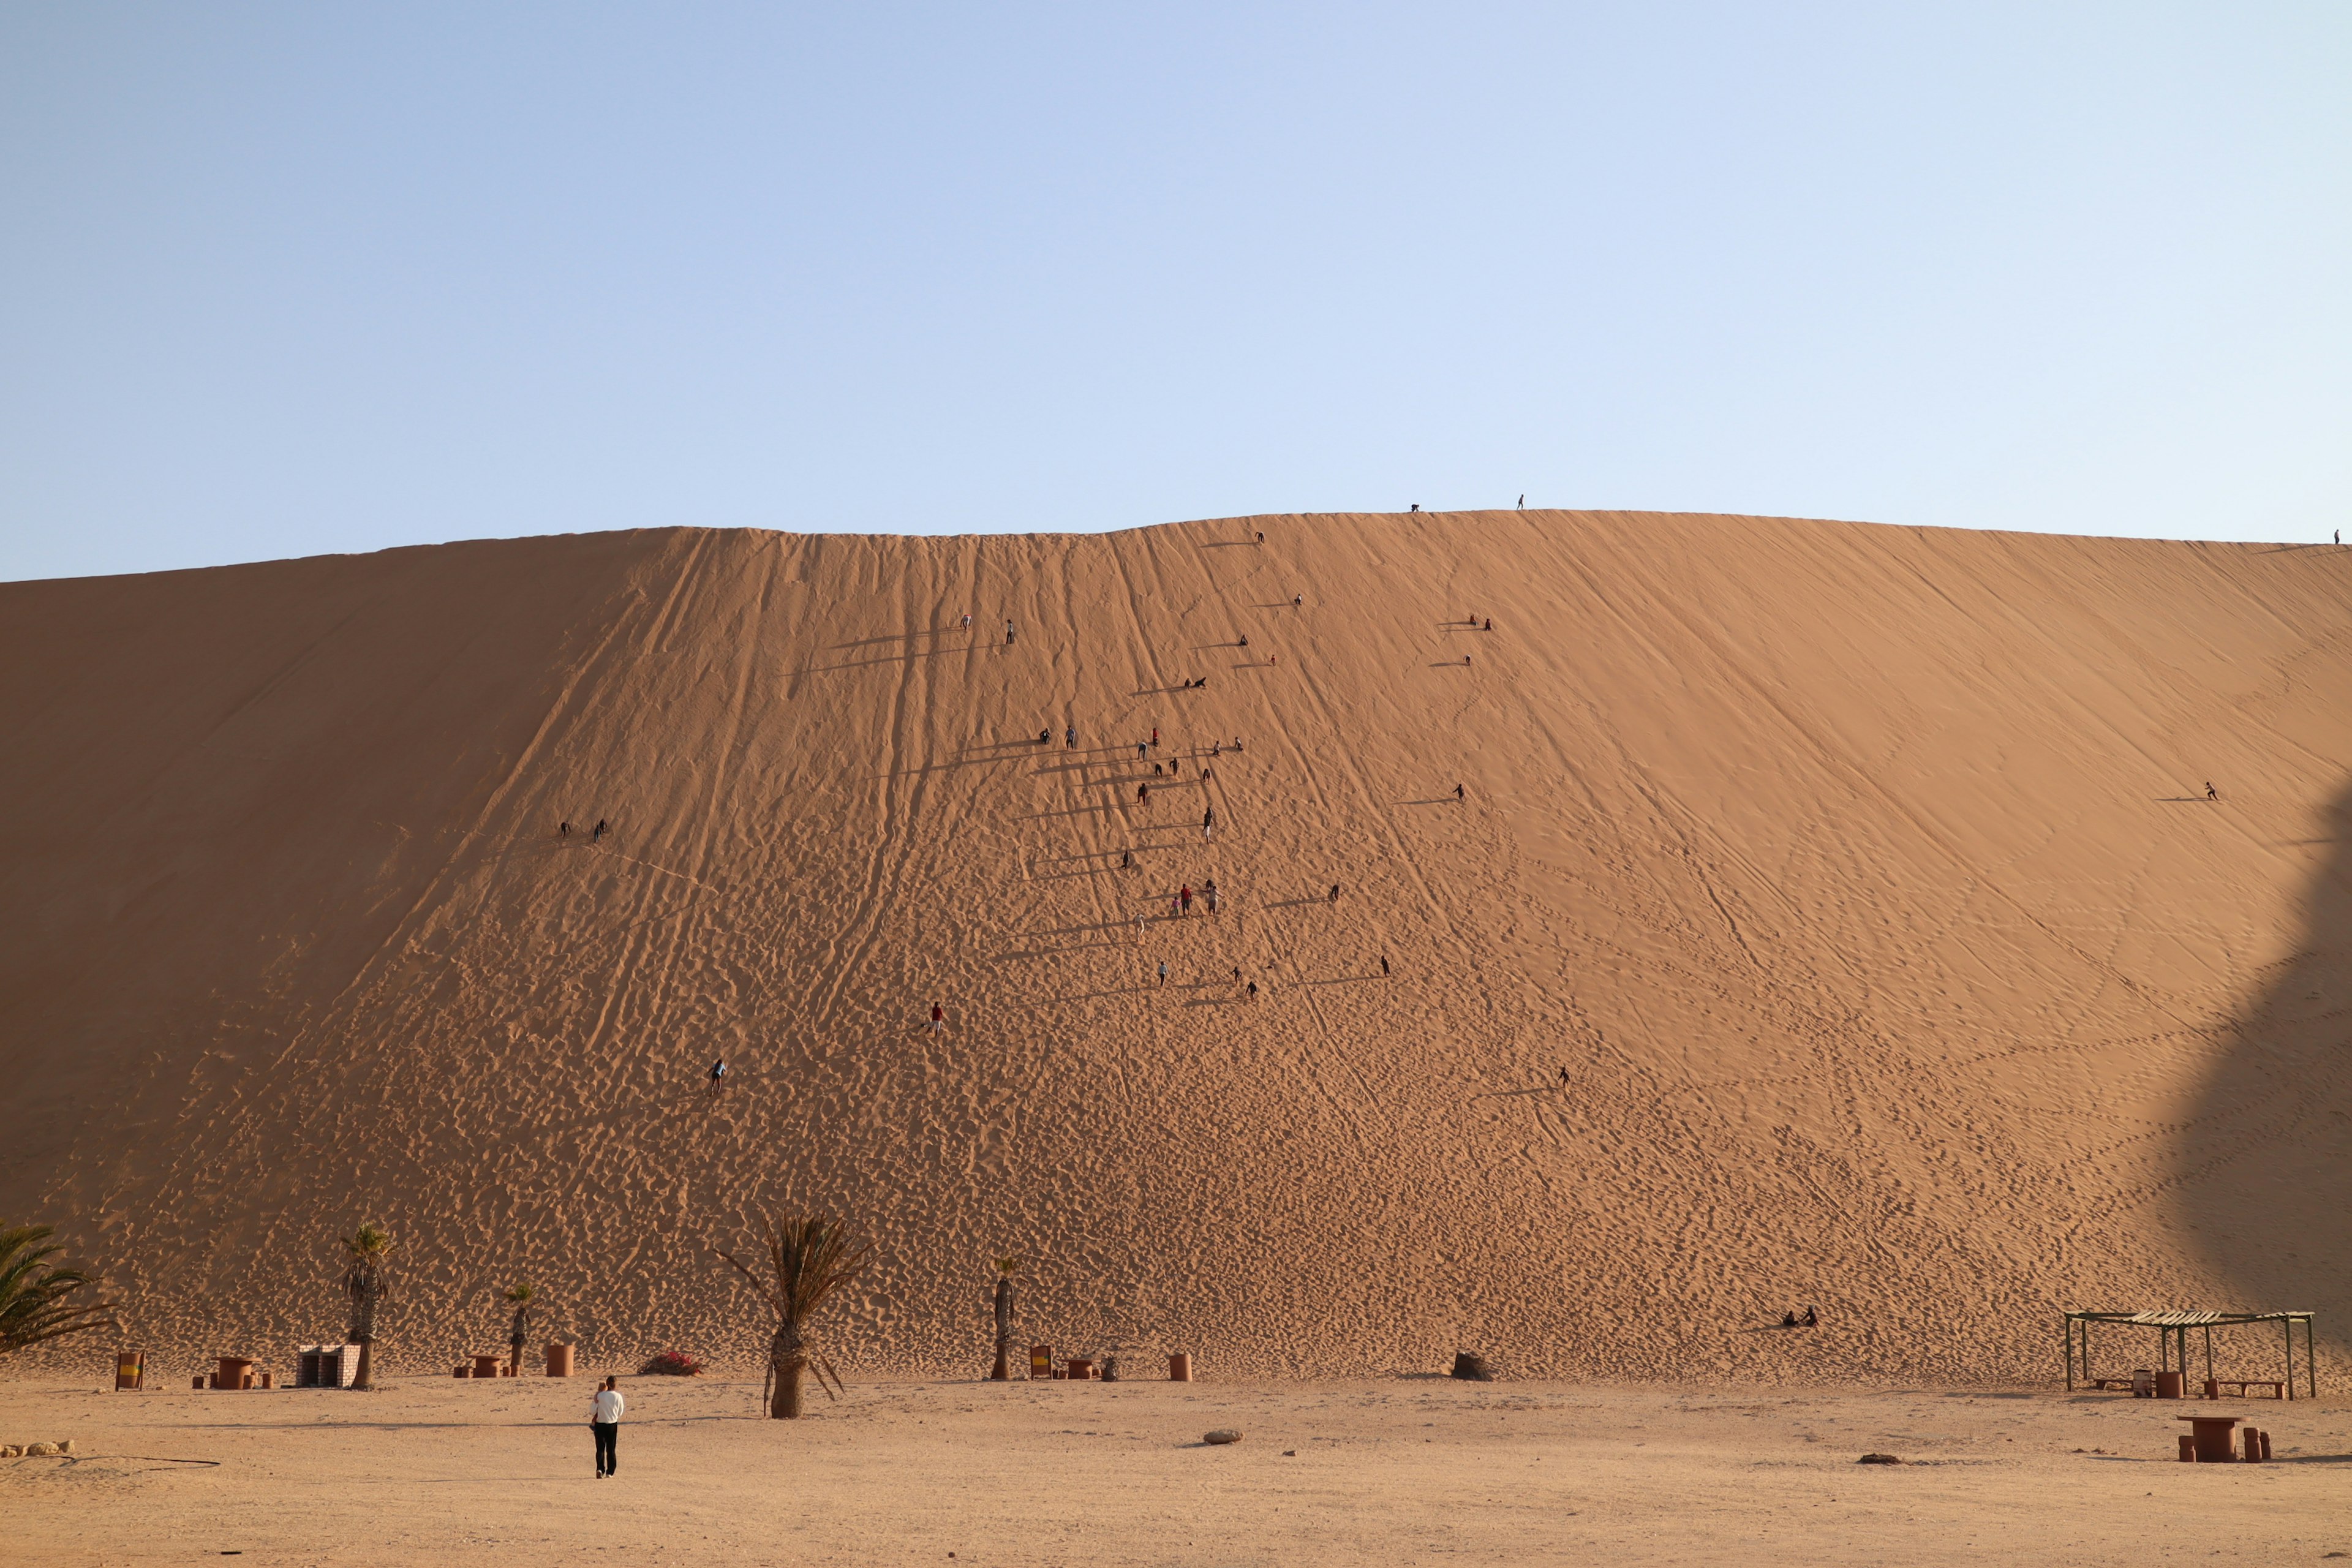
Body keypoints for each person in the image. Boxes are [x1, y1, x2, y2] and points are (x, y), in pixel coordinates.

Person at [590, 1376, 624, 1478]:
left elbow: (592, 1411)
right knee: (611, 1449)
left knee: (600, 1449)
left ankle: (600, 1468)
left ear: (607, 1384)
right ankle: (610, 1471)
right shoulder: (618, 1396)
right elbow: (620, 1412)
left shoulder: (600, 1395)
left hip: (600, 1424)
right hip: (612, 1424)